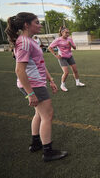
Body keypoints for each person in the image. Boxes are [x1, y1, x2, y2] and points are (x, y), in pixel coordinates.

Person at [5, 12, 68, 162]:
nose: (40, 25)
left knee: (39, 114)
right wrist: (30, 93)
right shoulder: (24, 42)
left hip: (36, 83)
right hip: (33, 85)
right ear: (27, 25)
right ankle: (48, 151)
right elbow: (19, 70)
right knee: (48, 115)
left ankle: (36, 143)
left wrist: (51, 80)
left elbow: (39, 63)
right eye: (37, 22)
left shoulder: (30, 40)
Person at [48, 26, 85, 92]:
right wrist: (55, 55)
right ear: (62, 33)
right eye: (66, 33)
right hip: (62, 58)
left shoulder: (70, 39)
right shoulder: (58, 40)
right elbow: (50, 48)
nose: (68, 34)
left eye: (68, 33)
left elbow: (75, 48)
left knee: (75, 70)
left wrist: (71, 44)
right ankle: (62, 85)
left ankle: (78, 82)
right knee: (66, 72)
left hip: (70, 56)